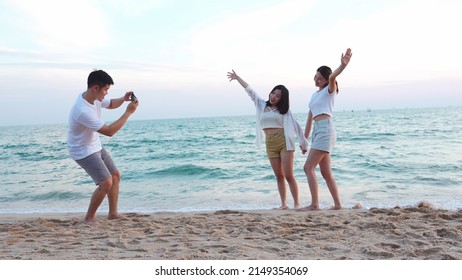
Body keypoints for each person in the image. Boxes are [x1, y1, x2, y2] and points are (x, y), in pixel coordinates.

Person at [227, 70, 308, 210]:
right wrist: (237, 77)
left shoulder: (285, 111)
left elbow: (296, 127)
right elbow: (250, 90)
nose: (274, 96)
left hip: (284, 142)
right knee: (279, 176)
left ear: (282, 99)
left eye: (278, 95)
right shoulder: (261, 105)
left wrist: (303, 143)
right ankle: (283, 204)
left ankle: (297, 204)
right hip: (270, 143)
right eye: (273, 93)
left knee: (289, 175)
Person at [67, 69, 139, 224]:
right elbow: (109, 131)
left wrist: (124, 98)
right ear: (95, 88)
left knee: (115, 176)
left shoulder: (93, 97)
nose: (106, 93)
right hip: (82, 150)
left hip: (94, 145)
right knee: (106, 182)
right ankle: (89, 218)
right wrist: (128, 113)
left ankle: (113, 213)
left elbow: (112, 104)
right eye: (106, 89)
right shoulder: (82, 111)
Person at [299, 48, 352, 211]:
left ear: (326, 80)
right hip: (318, 130)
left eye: (320, 78)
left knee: (308, 168)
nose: (317, 80)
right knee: (325, 172)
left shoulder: (329, 91)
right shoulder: (315, 95)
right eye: (315, 77)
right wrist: (304, 140)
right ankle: (337, 205)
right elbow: (309, 118)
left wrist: (342, 66)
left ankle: (315, 204)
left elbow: (333, 77)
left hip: (325, 129)